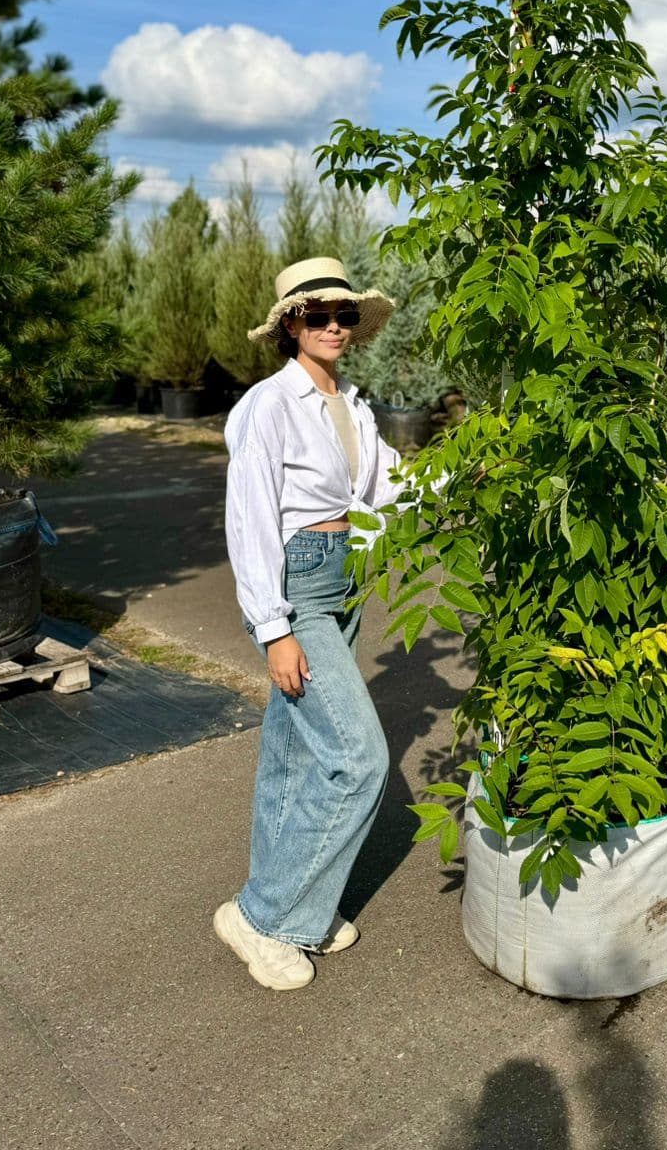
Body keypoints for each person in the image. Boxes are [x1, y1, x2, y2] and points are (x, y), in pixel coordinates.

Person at [213, 255, 403, 991]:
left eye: (344, 314)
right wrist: (275, 627)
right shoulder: (269, 404)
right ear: (289, 323)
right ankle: (263, 916)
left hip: (343, 576)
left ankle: (300, 905)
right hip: (300, 584)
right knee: (359, 761)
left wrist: (474, 471)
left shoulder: (351, 404)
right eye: (317, 314)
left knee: (296, 755)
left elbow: (390, 483)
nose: (333, 326)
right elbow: (250, 518)